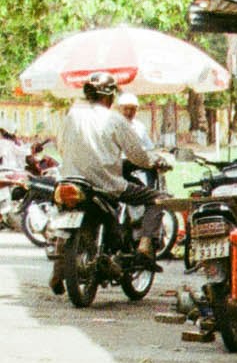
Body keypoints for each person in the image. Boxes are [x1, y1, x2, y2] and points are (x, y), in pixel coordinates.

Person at [50, 73, 167, 294]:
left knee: (62, 222)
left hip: (71, 181)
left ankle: (57, 272)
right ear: (110, 96)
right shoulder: (114, 119)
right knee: (158, 198)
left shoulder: (72, 115)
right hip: (108, 185)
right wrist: (155, 160)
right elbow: (137, 156)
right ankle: (145, 245)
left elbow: (61, 147)